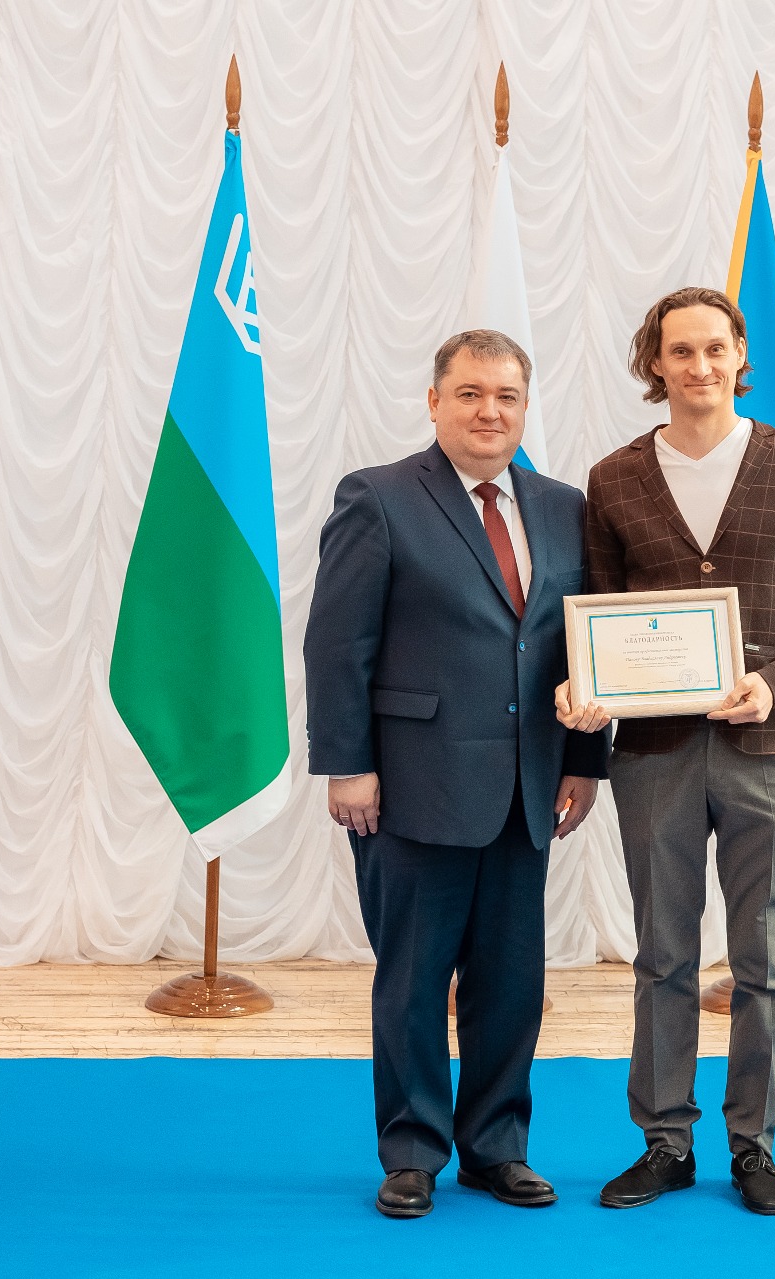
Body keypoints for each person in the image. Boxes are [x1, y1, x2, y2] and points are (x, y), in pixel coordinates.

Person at [558, 287, 775, 1215]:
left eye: (714, 348)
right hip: (652, 752)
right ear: (654, 364)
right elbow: (598, 612)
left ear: (741, 358)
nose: (699, 366)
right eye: (680, 351)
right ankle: (664, 1142)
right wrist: (586, 688)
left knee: (762, 959)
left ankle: (754, 1145)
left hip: (767, 745)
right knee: (661, 953)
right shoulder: (614, 478)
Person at [304, 329, 607, 1219]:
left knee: (512, 984)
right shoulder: (378, 497)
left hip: (528, 789)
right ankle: (412, 1153)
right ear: (434, 402)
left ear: (526, 407)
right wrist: (348, 763)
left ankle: (495, 1148)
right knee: (412, 980)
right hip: (411, 786)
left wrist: (585, 760)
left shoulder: (564, 506)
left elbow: (582, 642)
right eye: (470, 393)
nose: (489, 411)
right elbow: (337, 643)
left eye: (506, 395)